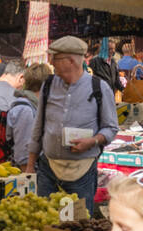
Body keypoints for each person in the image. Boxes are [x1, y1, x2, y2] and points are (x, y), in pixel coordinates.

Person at [26, 37, 119, 212]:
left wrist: (91, 142)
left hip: (81, 172)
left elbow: (111, 127)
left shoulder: (99, 87)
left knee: (76, 224)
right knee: (46, 220)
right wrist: (31, 164)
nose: (51, 63)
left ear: (71, 60)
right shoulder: (48, 85)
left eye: (55, 58)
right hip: (48, 170)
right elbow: (38, 127)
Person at [6, 63, 52, 169]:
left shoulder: (34, 105)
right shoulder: (25, 109)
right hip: (27, 172)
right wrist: (29, 174)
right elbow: (23, 153)